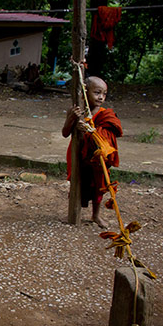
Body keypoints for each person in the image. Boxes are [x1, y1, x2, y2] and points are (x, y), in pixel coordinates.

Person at [62, 76, 123, 228]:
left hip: (96, 157)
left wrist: (90, 132)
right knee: (77, 182)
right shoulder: (76, 111)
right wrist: (72, 119)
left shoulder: (105, 115)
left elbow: (107, 136)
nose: (101, 97)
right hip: (78, 155)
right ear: (84, 93)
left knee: (98, 186)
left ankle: (96, 215)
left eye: (104, 93)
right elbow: (65, 133)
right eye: (97, 92)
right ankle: (74, 213)